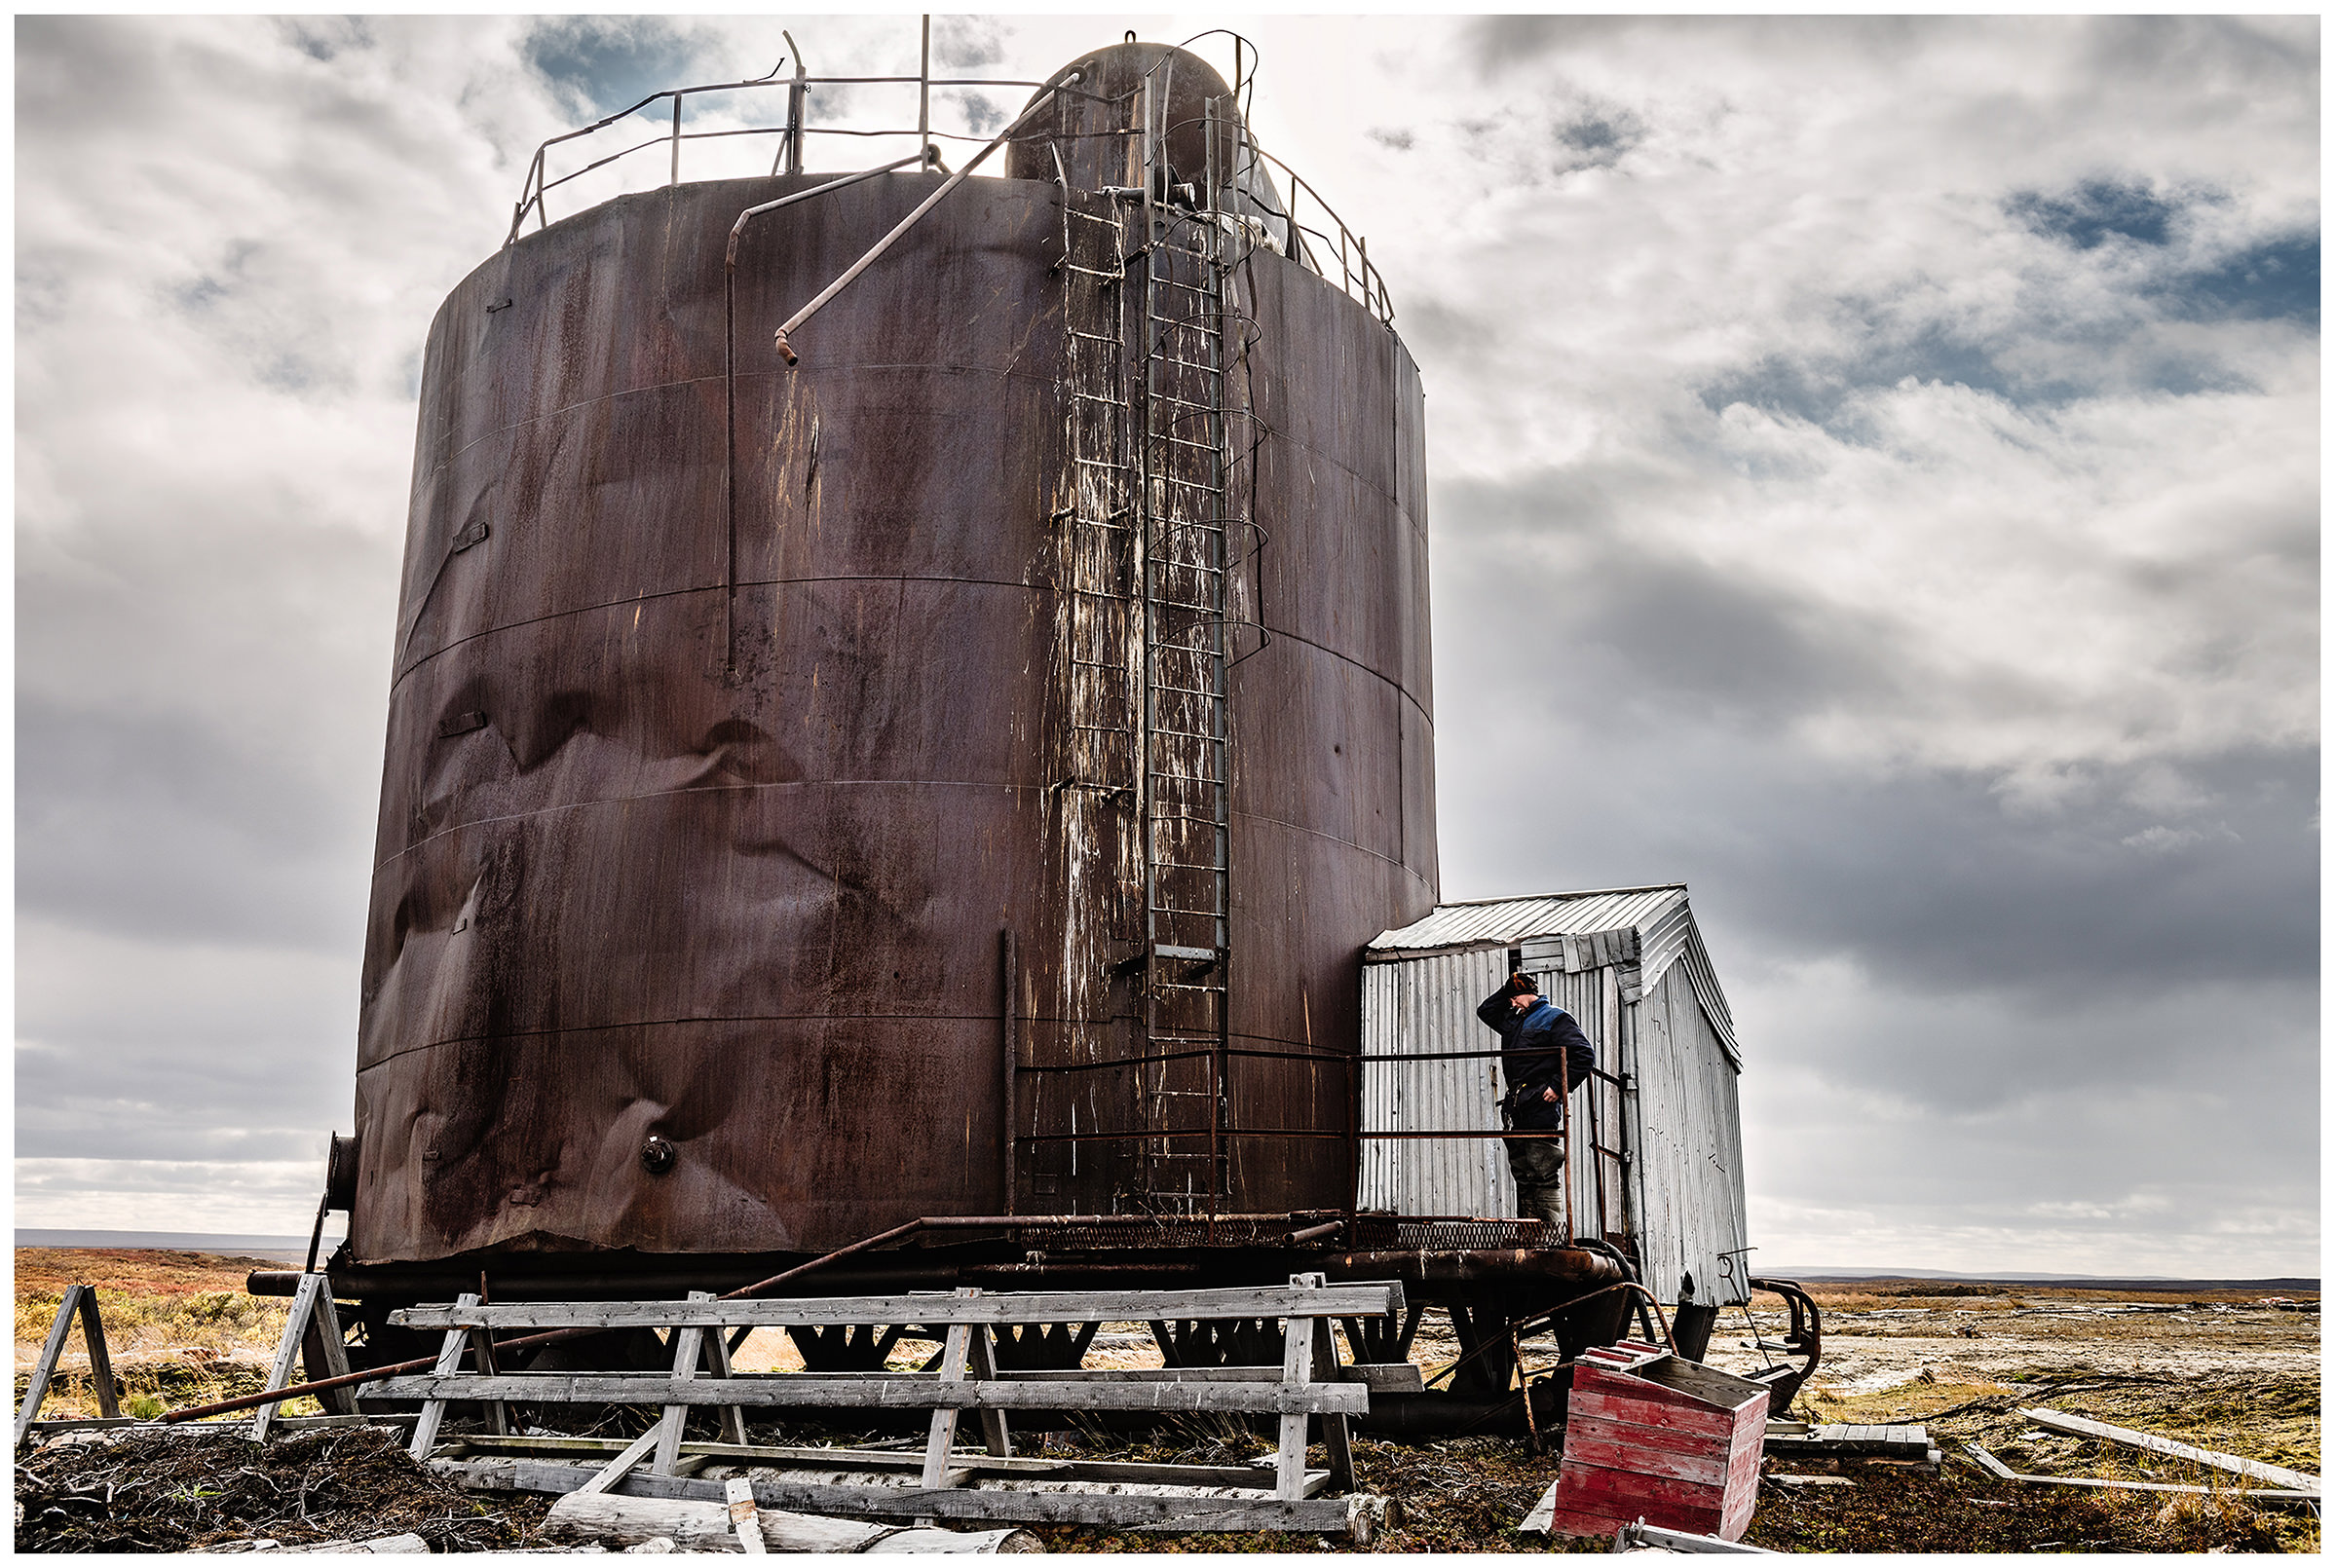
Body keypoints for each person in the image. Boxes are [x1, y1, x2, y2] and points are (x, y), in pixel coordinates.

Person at [1477, 970, 1596, 1228]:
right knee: (1522, 1170)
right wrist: (1508, 986)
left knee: (1542, 1167)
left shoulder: (1555, 1017)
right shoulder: (1514, 1021)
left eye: (1514, 998)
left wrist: (1559, 1087)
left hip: (1541, 1103)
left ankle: (1549, 1232)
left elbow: (1584, 1055)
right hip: (1517, 1105)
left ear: (1524, 995)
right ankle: (1528, 1231)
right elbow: (1485, 1011)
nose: (1510, 1004)